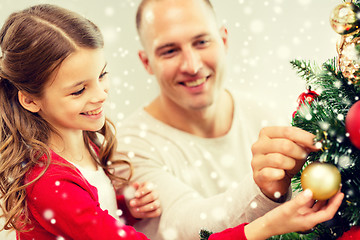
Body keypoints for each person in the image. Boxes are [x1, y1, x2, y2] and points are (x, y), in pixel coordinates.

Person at [115, 0, 343, 239]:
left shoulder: (263, 112)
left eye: (202, 42)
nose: (192, 66)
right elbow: (184, 228)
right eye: (169, 51)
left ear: (223, 40)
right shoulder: (129, 145)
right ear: (146, 62)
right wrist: (263, 191)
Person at [0, 4, 161, 239]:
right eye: (78, 91)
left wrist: (126, 208)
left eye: (102, 75)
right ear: (31, 100)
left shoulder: (84, 144)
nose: (101, 95)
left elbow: (87, 219)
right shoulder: (49, 183)